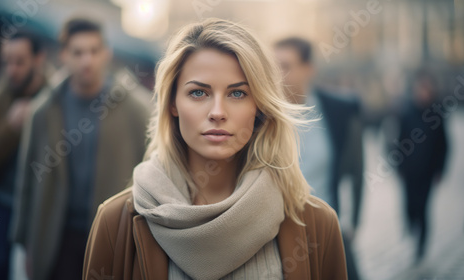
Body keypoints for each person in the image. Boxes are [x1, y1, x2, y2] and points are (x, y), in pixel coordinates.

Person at [83, 18, 347, 279]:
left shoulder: (317, 224)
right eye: (198, 93)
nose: (218, 113)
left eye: (237, 93)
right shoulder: (115, 222)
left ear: (260, 108)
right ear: (172, 103)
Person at [10, 18, 153, 280]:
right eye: (78, 52)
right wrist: (26, 245)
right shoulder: (43, 110)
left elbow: (155, 174)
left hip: (112, 236)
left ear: (106, 53)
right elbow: (27, 181)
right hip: (57, 237)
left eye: (94, 51)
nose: (87, 61)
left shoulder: (137, 109)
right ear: (63, 55)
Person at [274, 37, 363, 280]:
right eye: (273, 67)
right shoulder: (260, 115)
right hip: (276, 237)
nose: (278, 74)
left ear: (308, 69)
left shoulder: (339, 110)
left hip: (326, 231)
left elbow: (357, 170)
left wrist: (353, 222)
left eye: (285, 66)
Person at [0, 30, 47, 280]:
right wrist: (9, 128)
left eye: (19, 61)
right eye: (7, 61)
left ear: (39, 59)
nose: (11, 69)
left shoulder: (54, 100)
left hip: (39, 207)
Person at [396, 69, 448, 260]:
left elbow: (444, 144)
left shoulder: (437, 115)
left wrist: (441, 169)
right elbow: (400, 140)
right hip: (409, 170)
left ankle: (422, 243)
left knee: (424, 207)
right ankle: (411, 225)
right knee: (409, 205)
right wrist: (399, 165)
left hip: (428, 171)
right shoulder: (407, 112)